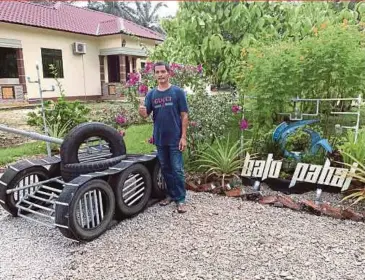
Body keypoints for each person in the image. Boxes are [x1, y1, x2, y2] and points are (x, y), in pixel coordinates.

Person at [138, 61, 189, 213]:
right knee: (166, 169)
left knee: (177, 169)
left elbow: (184, 115)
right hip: (160, 139)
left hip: (175, 139)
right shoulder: (151, 94)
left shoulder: (177, 92)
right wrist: (141, 112)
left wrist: (183, 137)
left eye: (163, 72)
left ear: (168, 73)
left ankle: (180, 199)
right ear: (154, 75)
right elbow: (146, 115)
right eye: (157, 72)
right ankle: (171, 195)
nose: (160, 75)